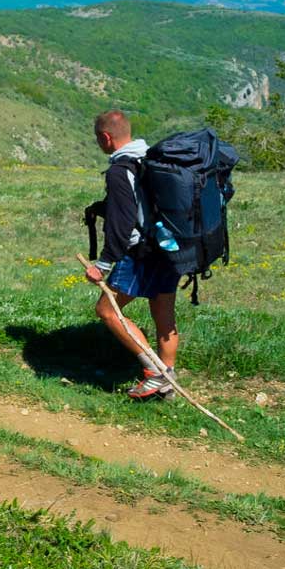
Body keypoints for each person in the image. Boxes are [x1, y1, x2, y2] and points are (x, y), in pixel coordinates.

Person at [83, 110, 180, 400]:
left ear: (105, 137)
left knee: (107, 310)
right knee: (163, 313)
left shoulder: (119, 170)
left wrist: (102, 264)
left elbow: (122, 224)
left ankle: (154, 373)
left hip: (141, 253)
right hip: (170, 248)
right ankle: (168, 381)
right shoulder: (151, 158)